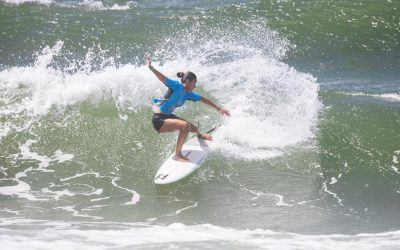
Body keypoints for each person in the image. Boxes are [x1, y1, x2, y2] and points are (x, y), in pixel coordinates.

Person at [146, 56, 231, 162]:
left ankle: (200, 135)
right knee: (185, 126)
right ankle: (178, 154)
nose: (195, 86)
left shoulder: (187, 94)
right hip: (159, 120)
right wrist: (151, 68)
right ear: (188, 81)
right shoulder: (176, 86)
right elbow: (162, 77)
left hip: (168, 117)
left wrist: (219, 108)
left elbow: (203, 99)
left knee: (194, 129)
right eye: (194, 83)